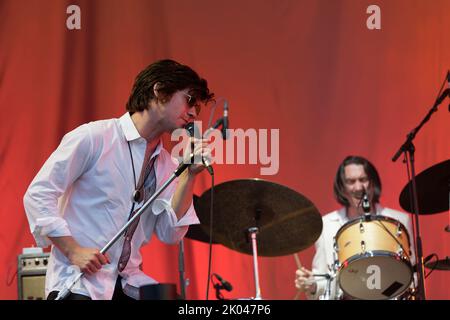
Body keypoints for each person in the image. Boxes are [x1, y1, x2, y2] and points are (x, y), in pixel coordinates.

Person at [23, 59, 214, 300]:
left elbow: (169, 233)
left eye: (197, 106)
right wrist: (73, 251)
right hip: (79, 283)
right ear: (160, 91)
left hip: (128, 283)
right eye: (189, 100)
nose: (194, 112)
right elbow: (38, 194)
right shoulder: (94, 137)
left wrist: (189, 174)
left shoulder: (167, 164)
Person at [295, 155, 416, 300]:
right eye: (351, 182)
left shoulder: (399, 220)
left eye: (363, 179)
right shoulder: (326, 225)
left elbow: (412, 275)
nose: (358, 187)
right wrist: (313, 286)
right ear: (342, 187)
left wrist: (384, 293)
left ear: (372, 182)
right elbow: (323, 282)